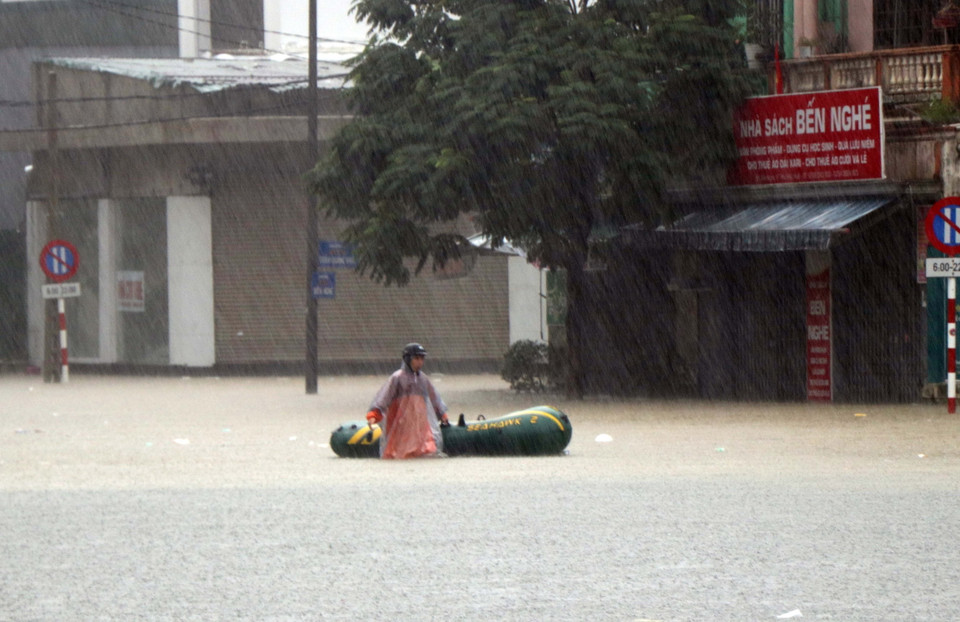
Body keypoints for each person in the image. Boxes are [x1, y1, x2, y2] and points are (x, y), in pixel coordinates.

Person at [366, 343, 450, 459]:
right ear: (408, 359)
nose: (420, 362)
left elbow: (434, 398)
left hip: (419, 422)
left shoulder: (423, 378)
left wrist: (442, 413)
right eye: (416, 358)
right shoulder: (397, 377)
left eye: (422, 359)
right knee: (398, 451)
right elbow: (384, 397)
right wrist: (374, 414)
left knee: (424, 449)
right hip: (400, 422)